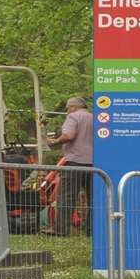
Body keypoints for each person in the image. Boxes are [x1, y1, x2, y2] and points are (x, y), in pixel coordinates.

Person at [46, 96, 94, 236]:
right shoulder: (94, 118)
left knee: (66, 197)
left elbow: (69, 135)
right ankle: (91, 230)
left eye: (67, 108)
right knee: (93, 198)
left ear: (73, 107)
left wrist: (53, 142)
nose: (67, 111)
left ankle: (61, 230)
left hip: (74, 161)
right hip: (93, 163)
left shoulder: (73, 117)